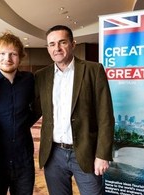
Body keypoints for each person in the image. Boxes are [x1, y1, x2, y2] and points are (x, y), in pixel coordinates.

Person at [33, 25, 115, 195]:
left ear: (72, 44)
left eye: (62, 42)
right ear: (48, 48)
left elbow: (105, 116)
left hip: (86, 152)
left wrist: (102, 155)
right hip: (53, 154)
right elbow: (34, 110)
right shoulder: (41, 76)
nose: (57, 48)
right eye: (52, 44)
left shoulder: (93, 70)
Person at [0, 32, 35, 195]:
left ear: (20, 57)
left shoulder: (29, 80)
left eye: (13, 54)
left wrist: (24, 123)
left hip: (23, 159)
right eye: (2, 54)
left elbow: (38, 107)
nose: (8, 58)